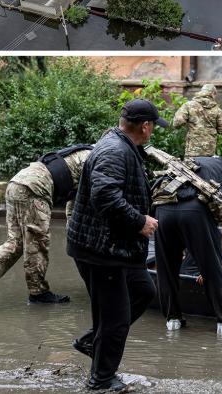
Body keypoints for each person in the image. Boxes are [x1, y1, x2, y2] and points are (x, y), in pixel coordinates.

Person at [66, 100, 164, 393]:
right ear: (145, 126)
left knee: (143, 291)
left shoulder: (122, 146)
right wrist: (139, 222)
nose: (153, 131)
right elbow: (105, 196)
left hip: (116, 246)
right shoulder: (114, 150)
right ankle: (101, 381)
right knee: (115, 317)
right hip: (101, 250)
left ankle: (92, 342)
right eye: (154, 126)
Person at [0, 145, 92, 310]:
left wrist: (72, 231)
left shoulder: (84, 153)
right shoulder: (97, 158)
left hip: (18, 183)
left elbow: (74, 203)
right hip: (34, 188)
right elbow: (87, 200)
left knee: (16, 243)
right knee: (37, 242)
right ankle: (38, 293)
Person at [152, 156, 222, 334]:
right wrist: (219, 256)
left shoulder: (185, 165)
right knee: (212, 268)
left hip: (162, 210)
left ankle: (173, 320)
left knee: (166, 269)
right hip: (194, 211)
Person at [171, 84, 222, 159]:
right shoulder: (217, 110)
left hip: (192, 150)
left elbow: (177, 122)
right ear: (213, 94)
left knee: (191, 170)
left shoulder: (188, 105)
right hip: (209, 151)